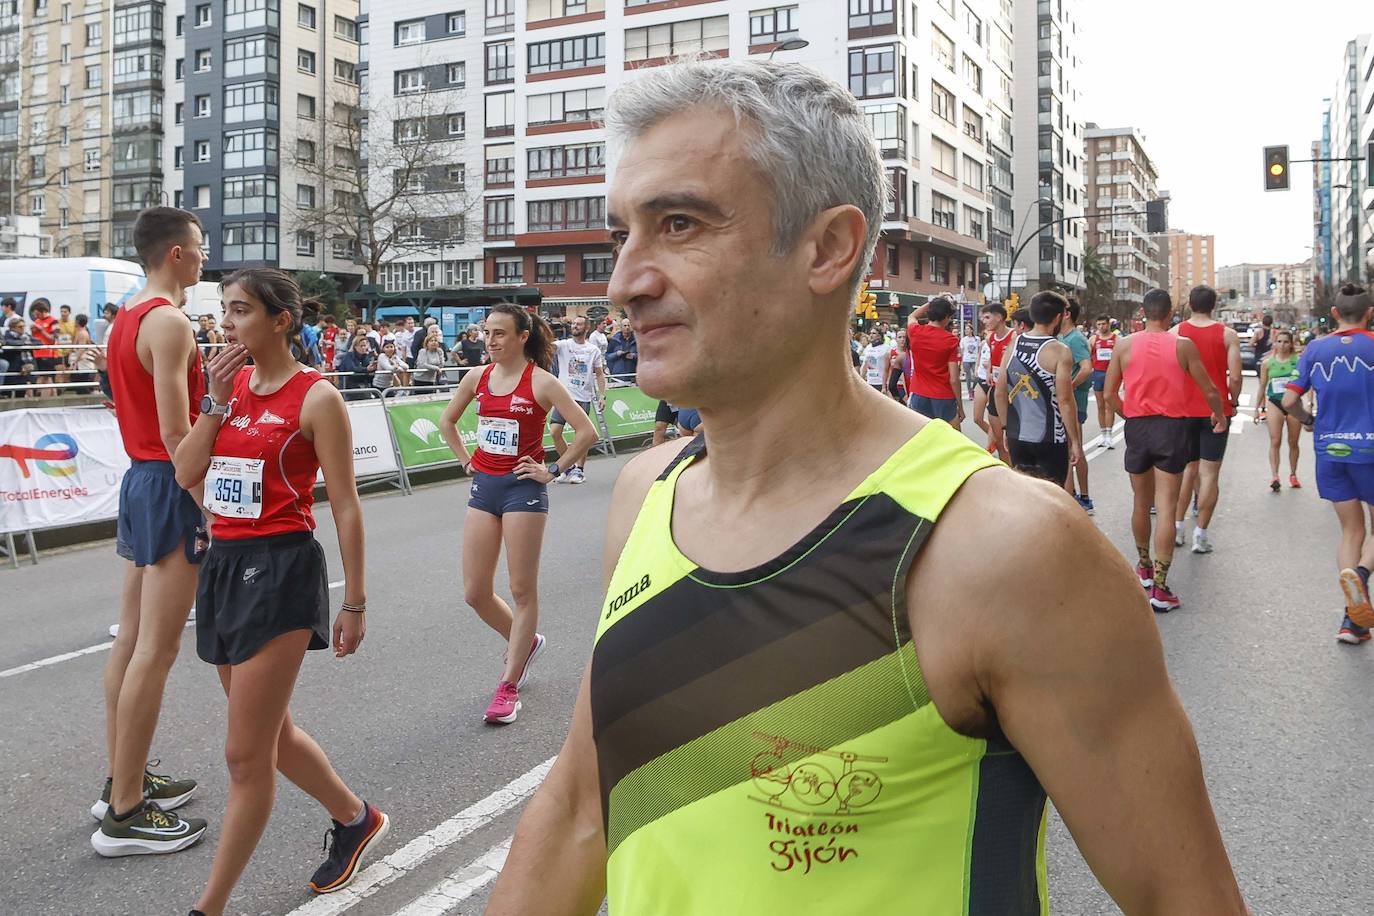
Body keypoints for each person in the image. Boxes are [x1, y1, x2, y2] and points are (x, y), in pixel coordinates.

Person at [489, 59, 1247, 915]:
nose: (626, 278)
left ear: (828, 248)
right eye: (624, 231)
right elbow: (581, 809)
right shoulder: (644, 496)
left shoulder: (1005, 549)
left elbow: (1186, 897)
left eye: (679, 224)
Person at [172, 268, 387, 915]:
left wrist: (354, 600)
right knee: (274, 732)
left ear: (280, 320)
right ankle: (355, 818)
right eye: (225, 310)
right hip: (225, 569)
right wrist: (211, 402)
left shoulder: (315, 397)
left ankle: (208, 907)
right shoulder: (228, 388)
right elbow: (186, 472)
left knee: (245, 755)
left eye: (239, 310)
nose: (227, 323)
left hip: (282, 571)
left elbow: (346, 505)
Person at [92, 206, 209, 857]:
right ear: (175, 254)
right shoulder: (168, 321)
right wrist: (209, 504)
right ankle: (127, 812)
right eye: (197, 247)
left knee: (133, 641)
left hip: (142, 481)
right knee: (155, 651)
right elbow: (175, 431)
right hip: (168, 481)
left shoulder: (126, 318)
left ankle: (123, 777)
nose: (203, 255)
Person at [438, 304, 599, 724]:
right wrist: (465, 460)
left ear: (522, 337)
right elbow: (447, 422)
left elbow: (587, 432)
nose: (490, 341)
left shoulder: (542, 383)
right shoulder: (477, 377)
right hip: (484, 488)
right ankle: (525, 642)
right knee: (475, 592)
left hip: (523, 492)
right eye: (487, 333)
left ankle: (509, 684)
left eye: (499, 334)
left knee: (522, 590)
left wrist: (553, 471)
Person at [1104, 288, 1228, 613]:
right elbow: (1209, 388)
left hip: (1138, 427)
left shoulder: (1124, 345)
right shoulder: (1183, 345)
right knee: (1167, 505)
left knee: (1140, 503)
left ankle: (1143, 566)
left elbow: (1109, 395)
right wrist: (1218, 414)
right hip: (1171, 429)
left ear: (1143, 313)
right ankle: (1160, 588)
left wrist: (1128, 415)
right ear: (1171, 314)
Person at [1280, 284, 1374, 645]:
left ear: (1334, 314)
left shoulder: (1316, 349)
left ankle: (1353, 620)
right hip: (1371, 451)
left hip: (1331, 450)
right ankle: (1362, 579)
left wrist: (1307, 420)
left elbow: (1289, 399)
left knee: (1351, 531)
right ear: (1369, 313)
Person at [1172, 286, 1242, 555]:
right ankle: (1201, 534)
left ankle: (1177, 528)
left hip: (1183, 411)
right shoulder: (1227, 335)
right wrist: (1232, 402)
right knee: (1209, 474)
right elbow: (1235, 377)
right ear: (1214, 305)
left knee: (1186, 472)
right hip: (1216, 411)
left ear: (1189, 304)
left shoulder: (1175, 333)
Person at [995, 291, 1083, 486]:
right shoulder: (1060, 351)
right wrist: (1075, 441)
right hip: (1050, 438)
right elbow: (1065, 401)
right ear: (1058, 317)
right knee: (1052, 496)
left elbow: (999, 391)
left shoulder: (1013, 344)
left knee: (1026, 495)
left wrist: (1004, 427)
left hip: (1017, 435)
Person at [550, 316, 607, 484]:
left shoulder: (593, 350)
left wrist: (602, 395)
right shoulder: (563, 345)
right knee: (555, 431)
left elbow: (599, 374)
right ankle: (567, 468)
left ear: (586, 328)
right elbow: (548, 347)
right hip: (564, 397)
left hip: (583, 397)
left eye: (579, 324)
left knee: (581, 436)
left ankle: (579, 471)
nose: (575, 326)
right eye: (573, 324)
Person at [1255, 330, 1304, 491]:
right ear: (1275, 343)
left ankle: (1293, 474)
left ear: (1291, 344)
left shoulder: (1298, 361)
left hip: (1294, 404)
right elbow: (1262, 386)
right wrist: (1257, 409)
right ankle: (1275, 476)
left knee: (1293, 442)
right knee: (1275, 440)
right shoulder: (1267, 363)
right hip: (1275, 402)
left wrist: (1310, 403)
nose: (1282, 345)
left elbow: (1305, 382)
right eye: (1279, 341)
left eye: (1286, 342)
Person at [1060, 300, 1095, 513]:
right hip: (1065, 403)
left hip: (1074, 404)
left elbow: (1087, 368)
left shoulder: (1075, 339)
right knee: (1067, 451)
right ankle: (1073, 495)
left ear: (1066, 314)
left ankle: (1084, 497)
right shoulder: (1061, 337)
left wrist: (1068, 386)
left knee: (1074, 449)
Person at [905, 297, 963, 424]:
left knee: (924, 436)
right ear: (946, 317)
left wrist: (932, 302)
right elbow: (954, 378)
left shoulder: (915, 331)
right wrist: (960, 405)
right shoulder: (951, 340)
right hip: (943, 395)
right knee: (952, 437)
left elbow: (912, 316)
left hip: (918, 392)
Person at [978, 303, 1013, 460]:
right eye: (983, 318)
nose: (984, 321)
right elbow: (993, 356)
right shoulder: (989, 337)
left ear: (999, 317)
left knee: (1010, 440)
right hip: (994, 389)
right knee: (999, 440)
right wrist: (990, 372)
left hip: (1010, 392)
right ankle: (1006, 469)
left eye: (987, 317)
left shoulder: (1014, 336)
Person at [1089, 315, 1117, 449]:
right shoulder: (1093, 339)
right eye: (1099, 324)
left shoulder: (1117, 339)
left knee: (1109, 405)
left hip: (1111, 374)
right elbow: (1088, 357)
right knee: (1100, 405)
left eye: (1103, 324)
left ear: (1108, 324)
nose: (1101, 327)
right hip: (1098, 374)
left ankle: (1109, 436)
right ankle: (1103, 434)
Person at [29, 299, 60, 394]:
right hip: (36, 353)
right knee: (40, 376)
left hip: (48, 353)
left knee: (46, 377)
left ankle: (46, 398)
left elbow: (53, 339)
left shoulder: (54, 321)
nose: (36, 317)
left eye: (37, 314)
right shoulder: (37, 321)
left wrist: (41, 330)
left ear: (43, 311)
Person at [69, 313, 98, 390]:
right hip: (81, 360)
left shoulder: (82, 333)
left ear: (77, 322)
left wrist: (75, 361)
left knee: (81, 382)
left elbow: (81, 348)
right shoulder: (82, 332)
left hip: (82, 361)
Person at [959, 321, 979, 398]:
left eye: (967, 329)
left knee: (976, 376)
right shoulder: (963, 339)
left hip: (975, 359)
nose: (966, 331)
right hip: (966, 360)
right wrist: (961, 362)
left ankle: (973, 389)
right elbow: (962, 351)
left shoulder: (977, 339)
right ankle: (970, 392)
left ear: (971, 330)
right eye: (965, 329)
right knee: (968, 376)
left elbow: (979, 349)